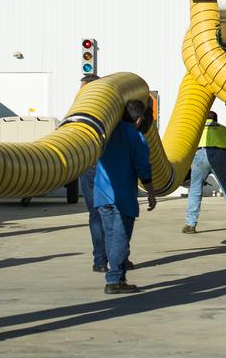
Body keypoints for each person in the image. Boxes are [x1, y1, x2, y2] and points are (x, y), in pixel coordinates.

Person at [93, 98, 156, 294]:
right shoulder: (137, 138)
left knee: (111, 237)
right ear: (139, 120)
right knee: (121, 238)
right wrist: (151, 194)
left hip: (102, 194)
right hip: (123, 197)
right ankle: (114, 280)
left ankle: (117, 277)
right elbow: (143, 168)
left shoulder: (107, 132)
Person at [183, 111, 226, 234]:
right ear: (216, 120)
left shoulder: (198, 129)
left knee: (195, 189)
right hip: (220, 155)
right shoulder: (223, 129)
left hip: (200, 154)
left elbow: (189, 147)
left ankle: (190, 225)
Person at [74, 74, 111, 273]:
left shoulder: (78, 109)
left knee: (97, 214)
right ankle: (113, 257)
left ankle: (101, 260)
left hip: (92, 165)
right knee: (110, 213)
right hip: (101, 165)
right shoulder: (107, 106)